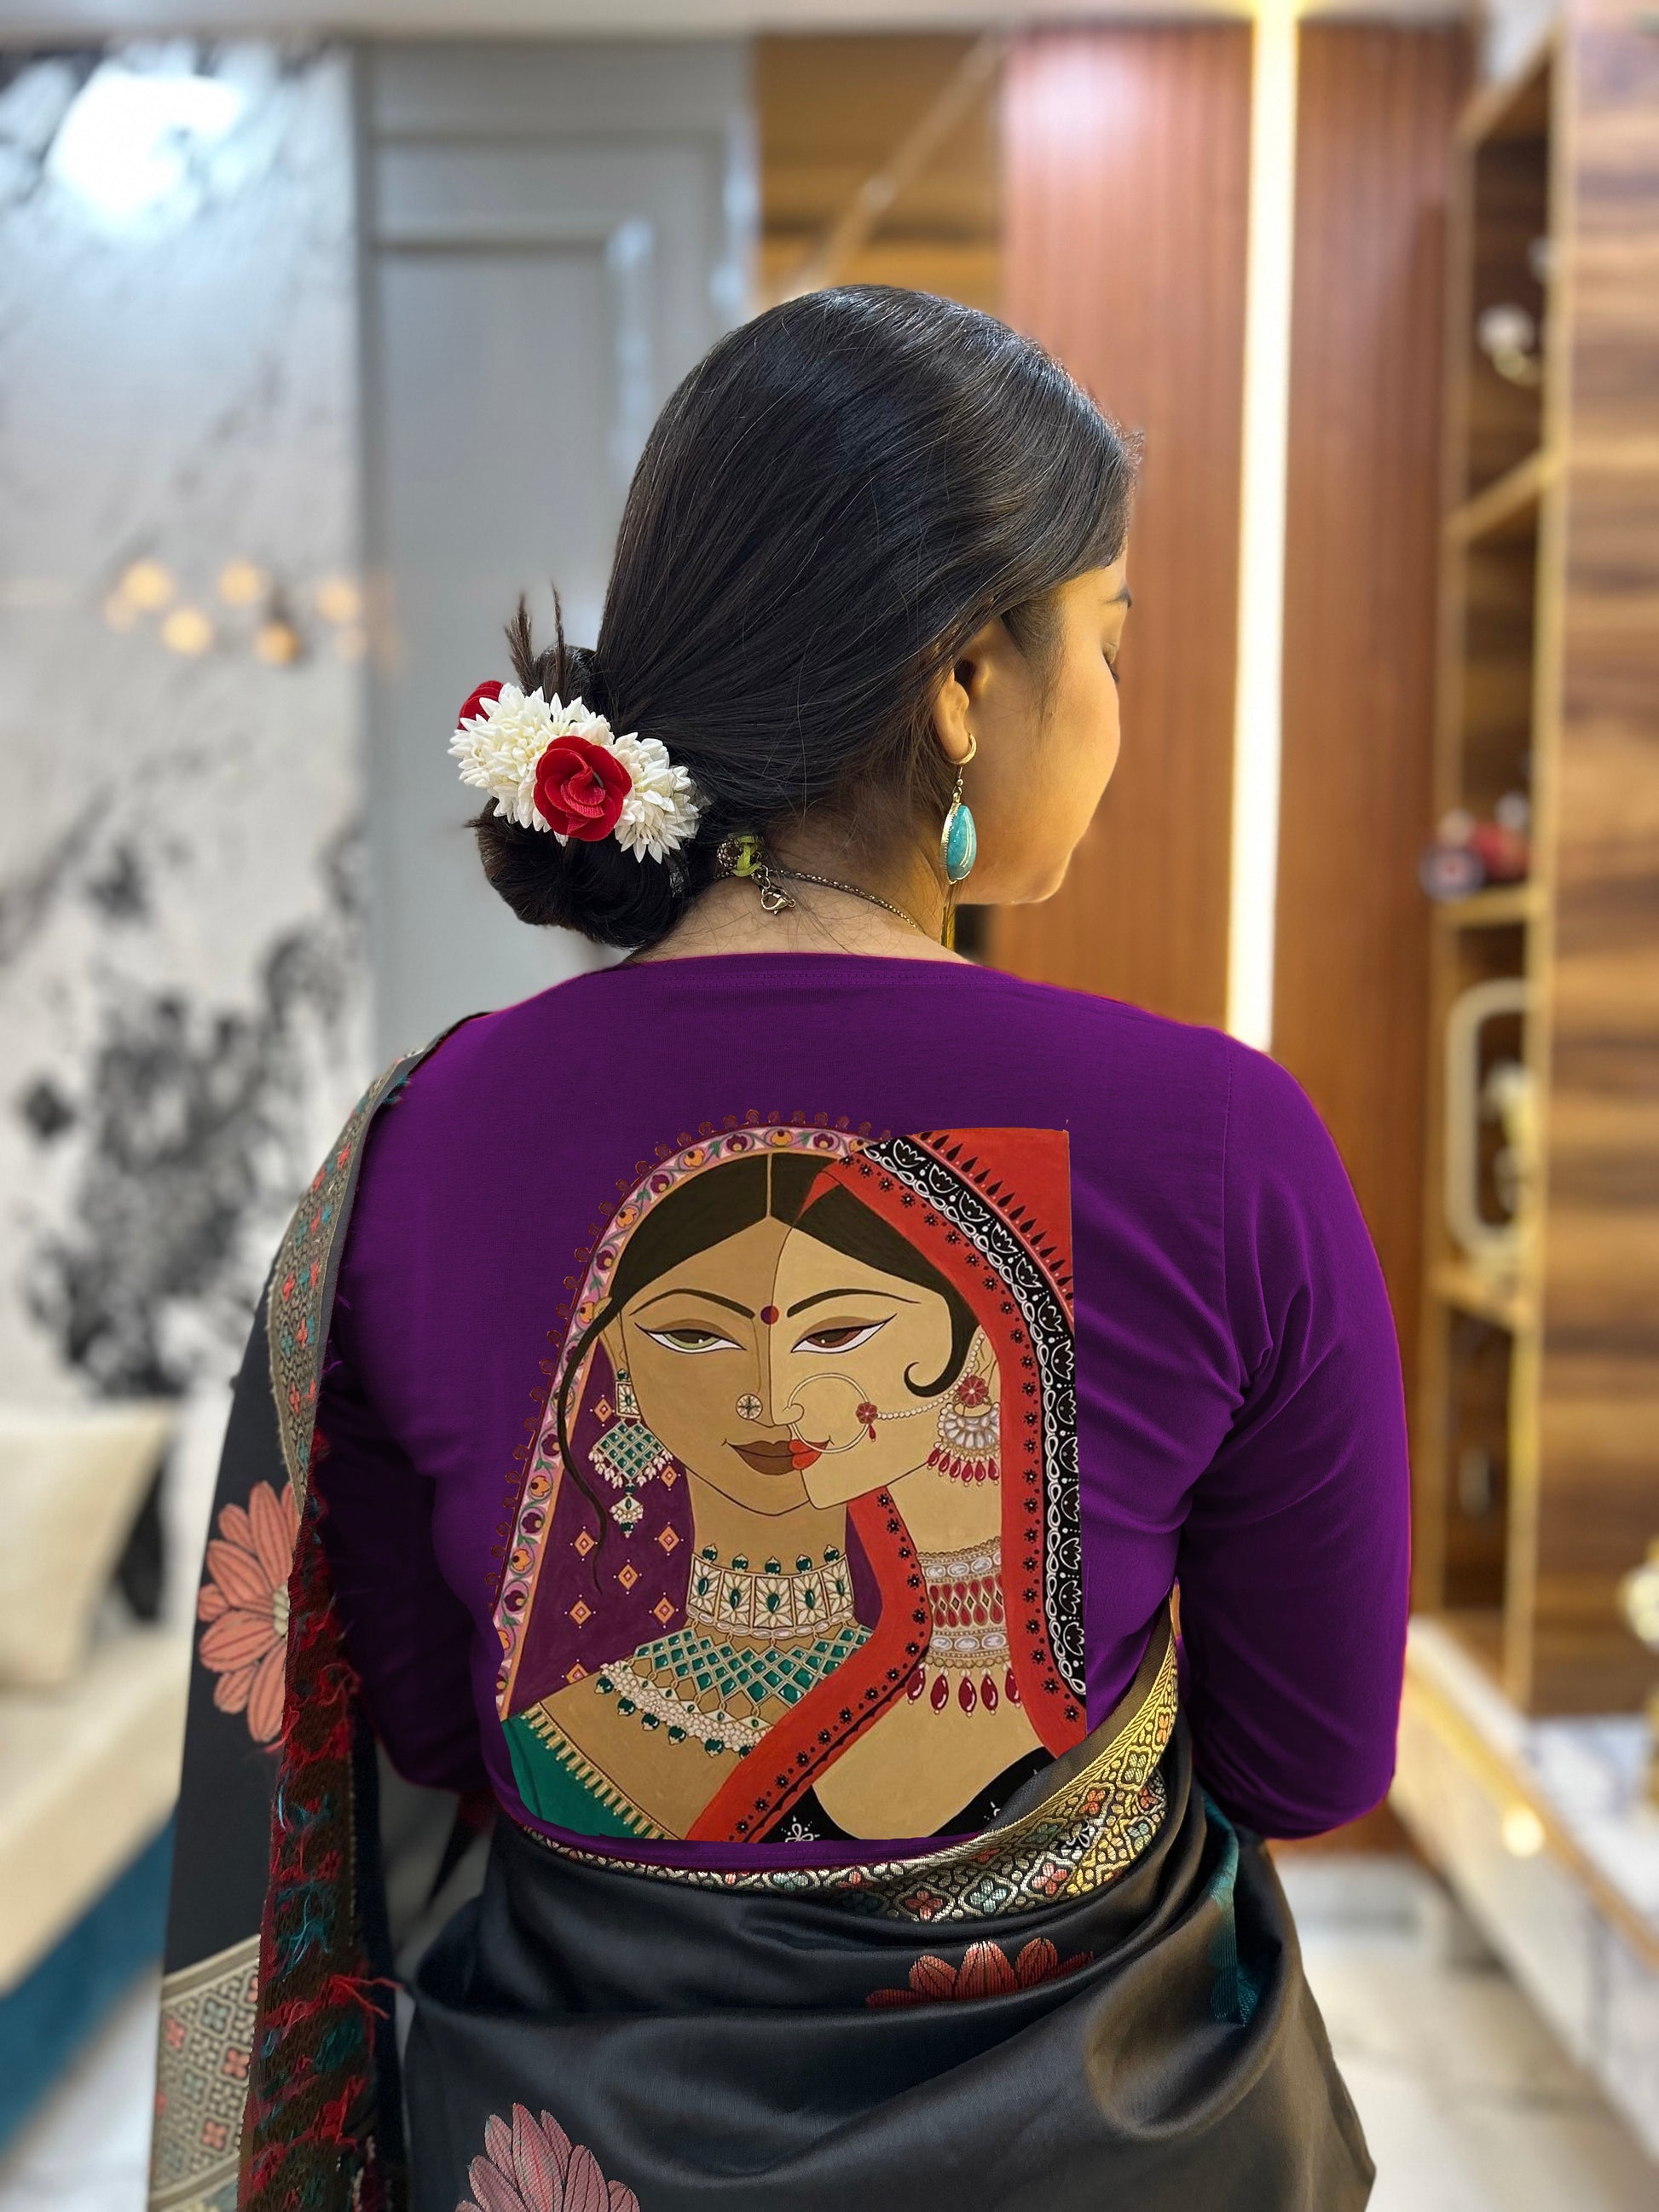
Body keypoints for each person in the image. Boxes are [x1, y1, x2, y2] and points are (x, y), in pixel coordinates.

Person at [153, 286, 1404, 2212]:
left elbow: (424, 1720)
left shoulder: (422, 1149)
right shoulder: (1222, 1141)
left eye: (834, 1330)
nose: (1113, 702)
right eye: (1108, 634)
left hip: (570, 2149)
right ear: (969, 679)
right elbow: (1307, 1756)